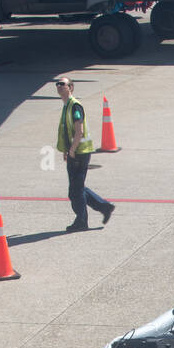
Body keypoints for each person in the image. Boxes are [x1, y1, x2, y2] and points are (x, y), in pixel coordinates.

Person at [55, 78, 115, 232]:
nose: (59, 87)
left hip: (80, 152)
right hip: (75, 151)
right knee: (77, 188)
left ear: (71, 87)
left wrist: (73, 150)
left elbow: (79, 131)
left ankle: (82, 221)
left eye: (63, 84)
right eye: (57, 84)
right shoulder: (67, 106)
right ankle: (104, 207)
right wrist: (66, 151)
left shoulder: (75, 106)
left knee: (75, 191)